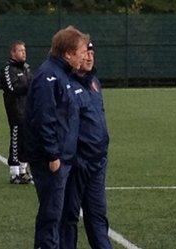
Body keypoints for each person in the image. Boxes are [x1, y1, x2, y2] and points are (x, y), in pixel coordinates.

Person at [25, 26, 89, 249]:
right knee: (51, 216)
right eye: (81, 50)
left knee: (62, 214)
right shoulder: (48, 76)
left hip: (64, 157)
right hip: (52, 160)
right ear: (68, 53)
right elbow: (44, 118)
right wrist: (53, 154)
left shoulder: (63, 74)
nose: (85, 54)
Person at [59, 42, 112, 249]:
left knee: (97, 215)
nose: (89, 57)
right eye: (85, 53)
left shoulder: (94, 82)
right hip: (77, 163)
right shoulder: (66, 84)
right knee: (69, 216)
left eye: (92, 53)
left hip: (98, 162)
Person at [0, 40, 33, 184]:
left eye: (24, 50)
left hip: (28, 109)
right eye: (20, 50)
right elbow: (12, 88)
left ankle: (24, 170)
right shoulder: (8, 69)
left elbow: (32, 84)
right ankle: (14, 173)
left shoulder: (26, 68)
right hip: (15, 110)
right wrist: (27, 85)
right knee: (16, 139)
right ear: (13, 53)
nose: (23, 53)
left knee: (27, 140)